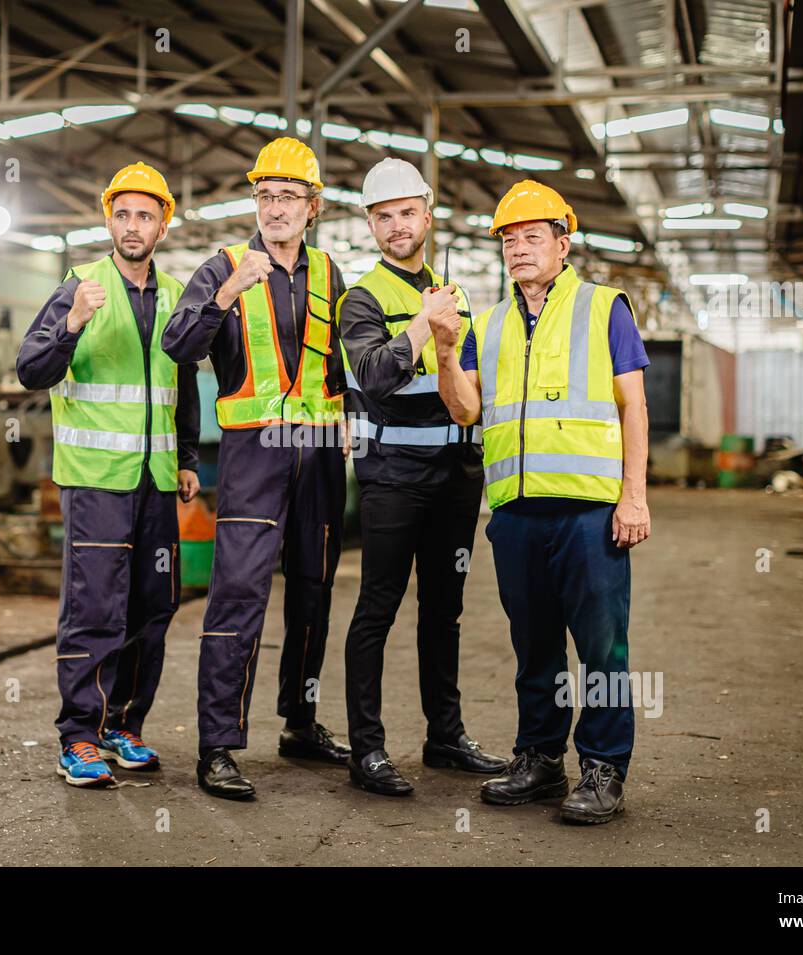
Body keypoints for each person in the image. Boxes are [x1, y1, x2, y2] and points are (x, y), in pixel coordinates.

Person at [432, 179, 651, 824]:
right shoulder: (490, 322)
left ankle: (604, 767)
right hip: (517, 514)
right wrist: (445, 348)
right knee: (534, 646)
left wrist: (632, 498)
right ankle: (540, 760)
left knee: (603, 647)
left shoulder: (604, 307)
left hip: (589, 511)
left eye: (532, 236)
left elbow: (632, 405)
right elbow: (466, 408)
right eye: (509, 238)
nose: (518, 249)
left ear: (563, 242)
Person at [162, 137, 350, 800]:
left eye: (289, 196)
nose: (275, 208)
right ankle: (217, 745)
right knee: (240, 596)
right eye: (265, 195)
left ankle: (300, 722)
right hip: (252, 455)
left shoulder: (331, 274)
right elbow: (177, 345)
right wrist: (223, 297)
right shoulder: (222, 266)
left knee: (313, 593)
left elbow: (340, 365)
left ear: (313, 206)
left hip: (321, 455)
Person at [16, 161, 200, 787]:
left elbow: (184, 380)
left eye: (145, 215)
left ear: (162, 225)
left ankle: (124, 725)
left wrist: (190, 461)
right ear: (108, 220)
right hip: (96, 479)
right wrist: (70, 324)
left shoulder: (177, 296)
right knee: (96, 605)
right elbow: (30, 369)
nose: (132, 225)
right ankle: (79, 736)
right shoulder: (79, 285)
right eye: (122, 214)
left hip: (155, 480)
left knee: (152, 605)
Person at [337, 157, 507, 796]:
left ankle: (445, 737)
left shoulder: (454, 293)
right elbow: (377, 375)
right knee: (377, 608)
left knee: (445, 610)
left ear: (427, 216)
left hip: (456, 478)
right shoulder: (362, 298)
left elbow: (463, 383)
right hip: (392, 478)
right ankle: (368, 751)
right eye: (383, 217)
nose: (396, 226)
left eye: (406, 213)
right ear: (371, 226)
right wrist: (423, 326)